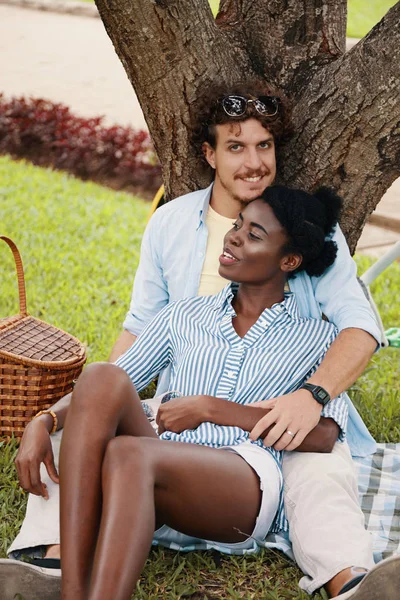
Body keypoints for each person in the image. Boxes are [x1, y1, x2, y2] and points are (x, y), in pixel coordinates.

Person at [2, 84, 398, 599]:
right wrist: (51, 416)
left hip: (268, 436)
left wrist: (309, 395)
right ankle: (56, 570)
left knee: (319, 475)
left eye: (264, 146)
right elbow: (139, 334)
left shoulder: (312, 298)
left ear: (290, 260)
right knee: (97, 396)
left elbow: (359, 332)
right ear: (210, 154)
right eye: (236, 146)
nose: (254, 162)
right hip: (172, 430)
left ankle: (352, 583)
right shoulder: (174, 246)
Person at [59, 186, 349, 600]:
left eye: (254, 234)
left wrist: (212, 409)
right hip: (156, 466)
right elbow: (106, 390)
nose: (232, 237)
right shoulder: (183, 315)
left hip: (241, 482)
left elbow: (323, 435)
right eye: (237, 226)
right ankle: (73, 591)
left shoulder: (317, 337)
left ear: (288, 261)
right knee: (102, 377)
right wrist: (47, 420)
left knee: (131, 453)